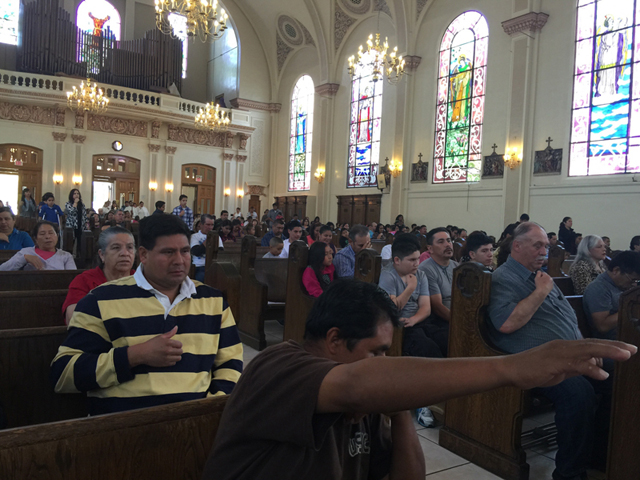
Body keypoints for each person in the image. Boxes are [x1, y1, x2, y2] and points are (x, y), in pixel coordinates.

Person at [201, 279, 636, 480]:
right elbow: (354, 383)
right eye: (377, 353)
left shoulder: (370, 405)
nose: (383, 363)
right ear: (334, 340)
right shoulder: (279, 366)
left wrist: (403, 415)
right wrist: (510, 368)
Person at [51, 214, 244, 416]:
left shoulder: (213, 301)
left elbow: (230, 366)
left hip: (197, 425)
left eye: (185, 251)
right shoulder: (101, 300)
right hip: (123, 430)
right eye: (168, 252)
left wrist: (210, 411)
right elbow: (63, 375)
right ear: (143, 254)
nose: (179, 260)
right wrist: (135, 355)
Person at [487, 222, 612, 479]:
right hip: (531, 360)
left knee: (621, 374)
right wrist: (541, 291)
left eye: (546, 245)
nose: (545, 250)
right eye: (538, 245)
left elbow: (567, 317)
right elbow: (506, 323)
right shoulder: (504, 278)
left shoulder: (541, 276)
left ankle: (599, 455)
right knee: (579, 394)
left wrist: (583, 348)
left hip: (567, 354)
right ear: (517, 246)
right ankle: (570, 473)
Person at [62, 227, 136, 323]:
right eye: (116, 248)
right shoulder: (84, 281)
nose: (125, 253)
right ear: (102, 255)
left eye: (129, 247)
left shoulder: (144, 280)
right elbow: (75, 320)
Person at [417, 227, 458, 356]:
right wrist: (460, 322)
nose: (447, 245)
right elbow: (437, 306)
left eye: (449, 240)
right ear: (430, 249)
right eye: (441, 242)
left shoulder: (456, 266)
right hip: (439, 321)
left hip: (458, 316)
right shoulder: (426, 269)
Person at [583, 251, 640, 341]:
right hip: (612, 343)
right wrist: (633, 310)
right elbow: (603, 326)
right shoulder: (599, 288)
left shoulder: (622, 285)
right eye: (633, 280)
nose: (634, 285)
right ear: (616, 270)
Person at [0, 221, 76, 271]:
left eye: (51, 233)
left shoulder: (66, 256)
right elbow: (3, 270)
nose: (47, 237)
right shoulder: (26, 252)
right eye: (42, 234)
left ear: (57, 236)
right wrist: (24, 258)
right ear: (35, 238)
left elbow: (72, 278)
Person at [190, 214, 215, 282]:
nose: (210, 227)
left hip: (214, 266)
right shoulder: (195, 236)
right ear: (201, 224)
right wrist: (207, 241)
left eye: (212, 225)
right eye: (208, 224)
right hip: (200, 266)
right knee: (202, 278)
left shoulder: (216, 237)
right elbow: (196, 252)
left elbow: (221, 252)